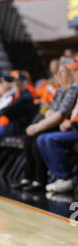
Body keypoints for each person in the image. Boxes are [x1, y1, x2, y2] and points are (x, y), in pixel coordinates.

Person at [13, 61, 78, 192]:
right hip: (61, 123)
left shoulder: (73, 88)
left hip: (64, 125)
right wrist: (41, 122)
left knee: (41, 137)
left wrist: (38, 126)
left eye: (62, 73)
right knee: (30, 138)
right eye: (57, 73)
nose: (58, 76)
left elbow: (61, 114)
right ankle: (29, 177)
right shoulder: (60, 89)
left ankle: (47, 179)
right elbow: (48, 110)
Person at [37, 58, 78, 194]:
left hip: (74, 129)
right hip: (72, 128)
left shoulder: (73, 88)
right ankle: (57, 176)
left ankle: (66, 177)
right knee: (42, 138)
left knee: (50, 139)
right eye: (72, 71)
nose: (73, 74)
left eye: (75, 71)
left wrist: (71, 123)